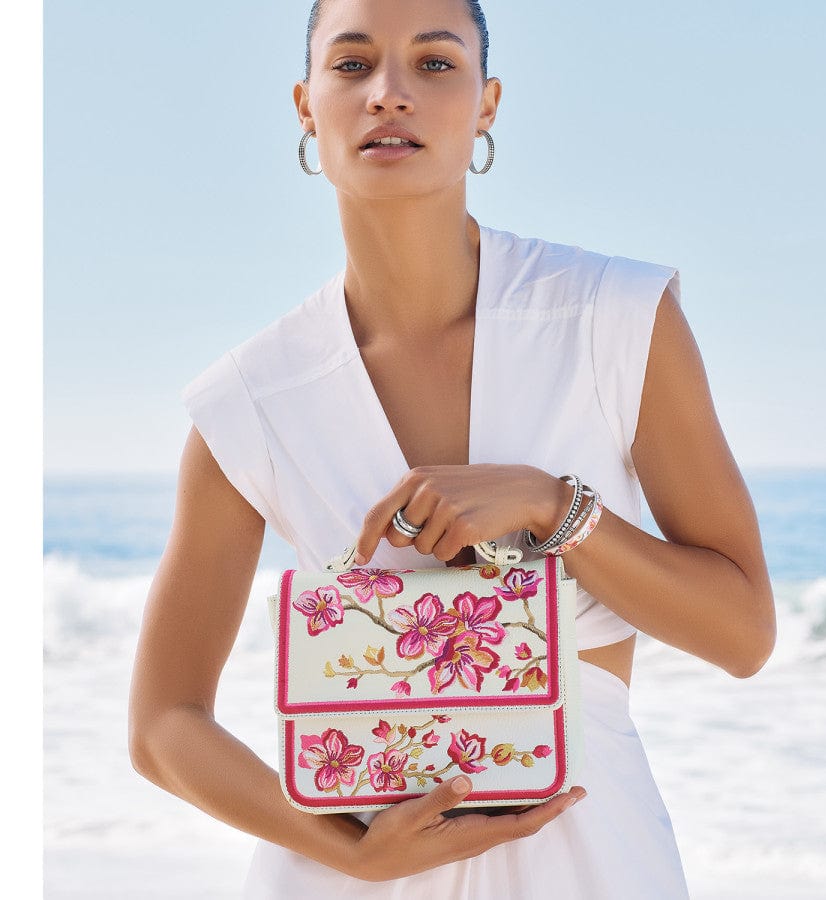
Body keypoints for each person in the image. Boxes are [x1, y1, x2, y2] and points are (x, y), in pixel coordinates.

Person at [129, 0, 776, 896]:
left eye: (435, 65)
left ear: (488, 104)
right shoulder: (249, 399)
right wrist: (347, 850)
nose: (389, 93)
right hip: (345, 860)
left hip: (585, 848)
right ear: (305, 106)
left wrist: (559, 510)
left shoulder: (614, 317)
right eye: (351, 66)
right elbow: (163, 723)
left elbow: (743, 635)